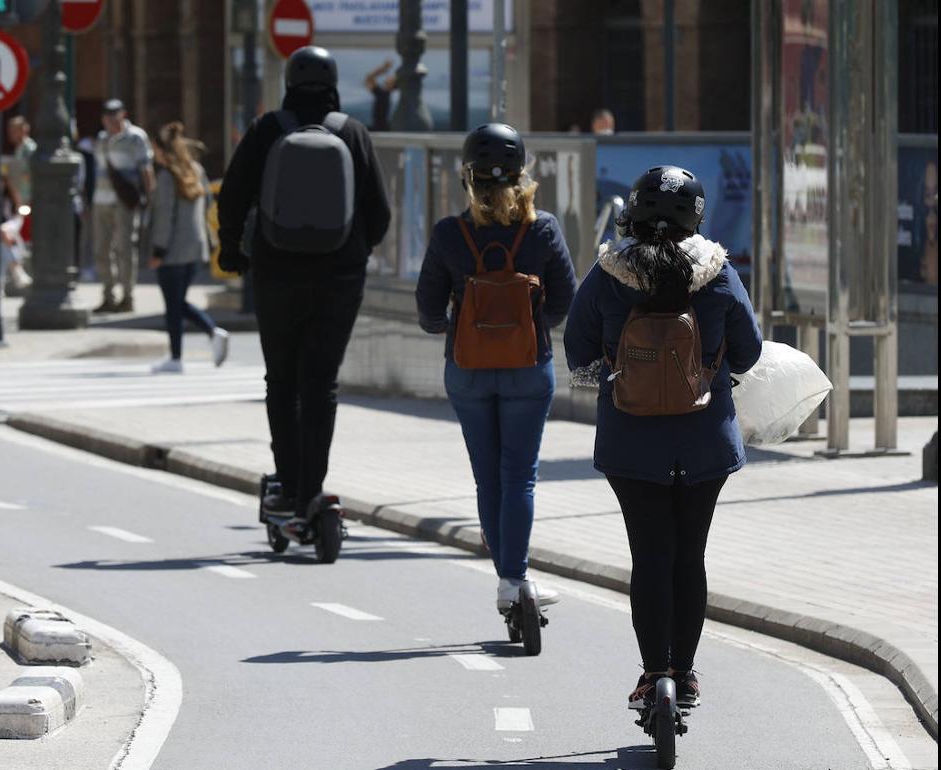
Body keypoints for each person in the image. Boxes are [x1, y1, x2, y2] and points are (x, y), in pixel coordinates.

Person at [563, 166, 762, 710]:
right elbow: (748, 353)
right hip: (705, 443)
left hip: (632, 444)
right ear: (696, 215)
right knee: (689, 555)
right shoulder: (719, 274)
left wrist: (613, 377)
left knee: (649, 555)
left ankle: (653, 677)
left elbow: (577, 355)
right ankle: (687, 673)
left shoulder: (608, 273)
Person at [218, 46, 391, 525]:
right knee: (321, 383)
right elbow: (380, 213)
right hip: (340, 278)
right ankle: (312, 491)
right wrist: (355, 251)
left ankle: (288, 486)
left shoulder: (267, 130)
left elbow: (232, 195)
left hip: (276, 274)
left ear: (289, 83)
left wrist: (232, 251)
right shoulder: (353, 132)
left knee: (282, 380)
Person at [415, 123, 577, 612]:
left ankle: (508, 579)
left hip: (466, 371)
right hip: (530, 369)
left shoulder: (449, 233)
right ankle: (514, 580)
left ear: (468, 177)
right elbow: (565, 299)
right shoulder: (543, 228)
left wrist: (462, 325)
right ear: (521, 174)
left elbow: (426, 313)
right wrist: (526, 326)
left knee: (488, 478)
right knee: (519, 477)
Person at [147, 121, 229, 374]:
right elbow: (206, 207)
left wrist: (158, 250)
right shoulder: (196, 169)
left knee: (173, 305)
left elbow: (164, 216)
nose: (153, 154)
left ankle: (177, 356)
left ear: (163, 150)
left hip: (172, 248)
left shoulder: (166, 176)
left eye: (155, 149)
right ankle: (211, 334)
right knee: (178, 302)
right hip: (195, 245)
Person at [92, 99, 154, 314]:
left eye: (114, 115)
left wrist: (150, 198)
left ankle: (127, 297)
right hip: (101, 201)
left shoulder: (136, 137)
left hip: (124, 203)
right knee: (101, 250)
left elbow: (146, 169)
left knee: (124, 249)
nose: (110, 120)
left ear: (123, 115)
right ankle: (108, 296)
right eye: (107, 116)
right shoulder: (101, 138)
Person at [6, 116, 37, 208]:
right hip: (20, 199)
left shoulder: (29, 149)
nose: (10, 134)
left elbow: (32, 173)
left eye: (13, 131)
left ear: (22, 130)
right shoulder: (19, 149)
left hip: (28, 199)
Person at [363, 58, 398, 132]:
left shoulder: (383, 94)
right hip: (382, 128)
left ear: (392, 84)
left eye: (392, 78)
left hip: (378, 129)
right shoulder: (385, 94)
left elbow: (369, 78)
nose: (390, 77)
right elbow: (368, 79)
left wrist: (384, 68)